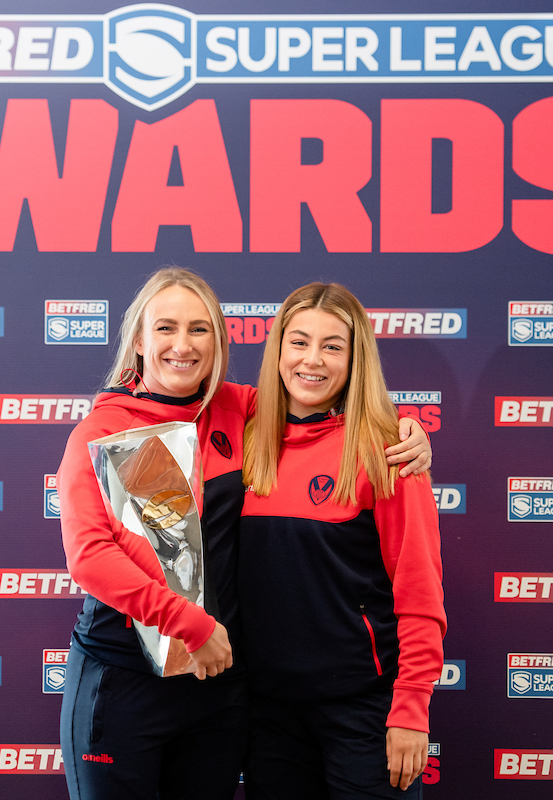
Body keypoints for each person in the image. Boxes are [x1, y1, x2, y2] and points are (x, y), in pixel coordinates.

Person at [56, 268, 434, 800]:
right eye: (165, 328)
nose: (182, 345)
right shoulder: (102, 431)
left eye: (199, 329)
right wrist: (190, 624)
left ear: (220, 341)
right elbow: (90, 556)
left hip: (220, 691)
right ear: (138, 341)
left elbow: (313, 405)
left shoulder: (240, 411)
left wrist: (405, 433)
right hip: (126, 678)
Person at [239, 283, 446, 799]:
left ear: (356, 359)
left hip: (364, 712)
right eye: (299, 342)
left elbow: (419, 593)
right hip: (267, 715)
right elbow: (166, 391)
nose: (313, 360)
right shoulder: (240, 433)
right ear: (278, 349)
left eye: (333, 346)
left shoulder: (387, 452)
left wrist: (411, 710)